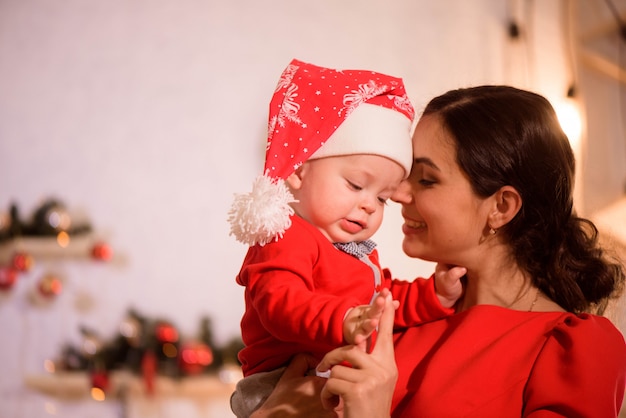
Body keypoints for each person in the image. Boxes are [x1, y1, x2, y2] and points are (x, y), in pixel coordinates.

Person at [251, 85, 626, 417]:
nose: (397, 195)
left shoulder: (575, 349)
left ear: (501, 207)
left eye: (426, 180)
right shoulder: (396, 317)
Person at [227, 59, 465, 417]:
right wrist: (343, 319)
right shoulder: (285, 236)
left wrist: (434, 294)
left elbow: (383, 302)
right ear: (298, 170)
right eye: (356, 185)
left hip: (328, 375)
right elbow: (281, 304)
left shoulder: (354, 253)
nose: (369, 205)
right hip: (278, 385)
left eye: (382, 197)